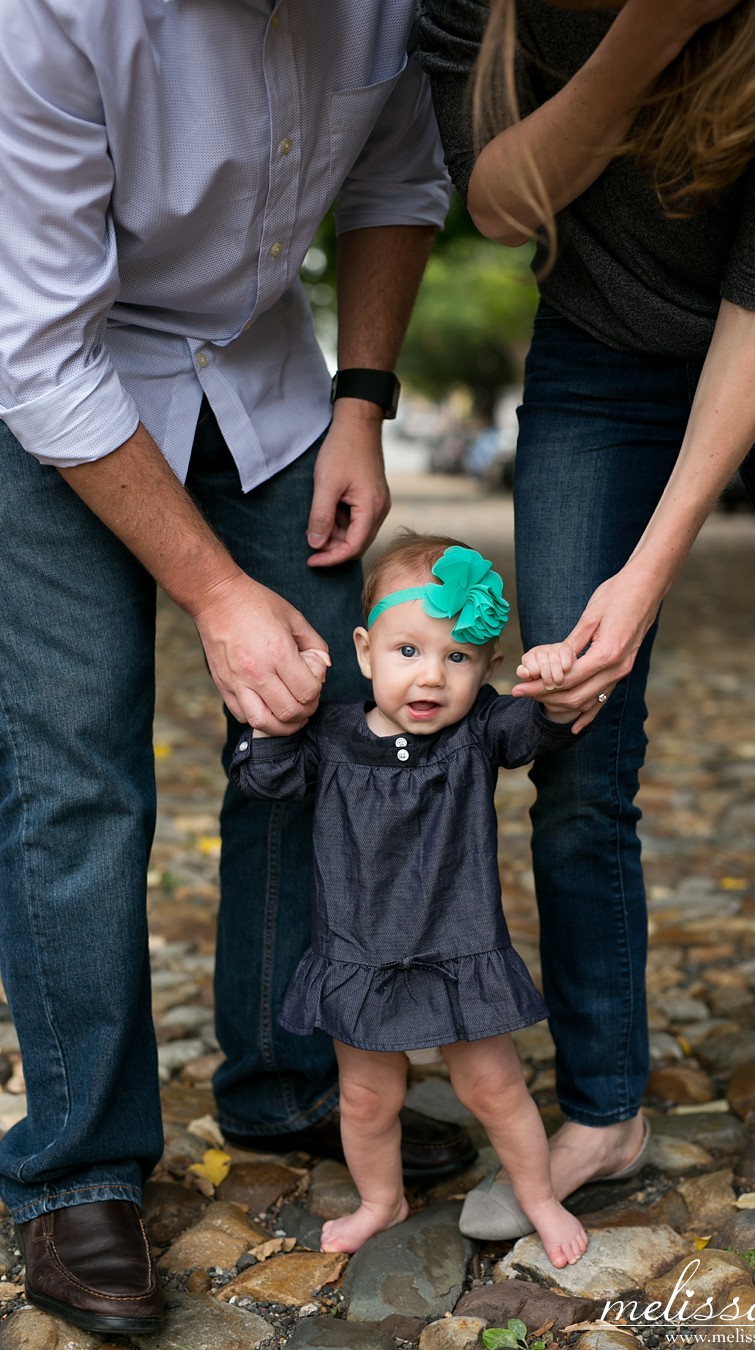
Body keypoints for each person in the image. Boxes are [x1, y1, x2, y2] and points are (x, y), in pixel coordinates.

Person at [0, 1, 474, 1336]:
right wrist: (213, 591)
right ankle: (78, 1166)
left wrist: (363, 400)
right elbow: (38, 349)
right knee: (76, 764)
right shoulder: (45, 16)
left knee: (324, 715)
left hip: (266, 372)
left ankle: (283, 1075)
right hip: (55, 386)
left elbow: (396, 175)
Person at [418, 0, 755, 1240]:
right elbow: (495, 205)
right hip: (601, 336)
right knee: (570, 729)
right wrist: (643, 39)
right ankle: (604, 1105)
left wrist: (646, 578)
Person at [231, 533, 588, 1268]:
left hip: (457, 947)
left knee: (493, 1087)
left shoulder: (481, 730)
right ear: (364, 651)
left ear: (486, 666)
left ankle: (540, 1195)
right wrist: (272, 723)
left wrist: (553, 682)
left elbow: (542, 726)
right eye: (408, 652)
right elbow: (265, 781)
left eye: (456, 657)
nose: (430, 677)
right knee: (366, 1100)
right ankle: (379, 1200)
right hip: (360, 953)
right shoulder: (328, 736)